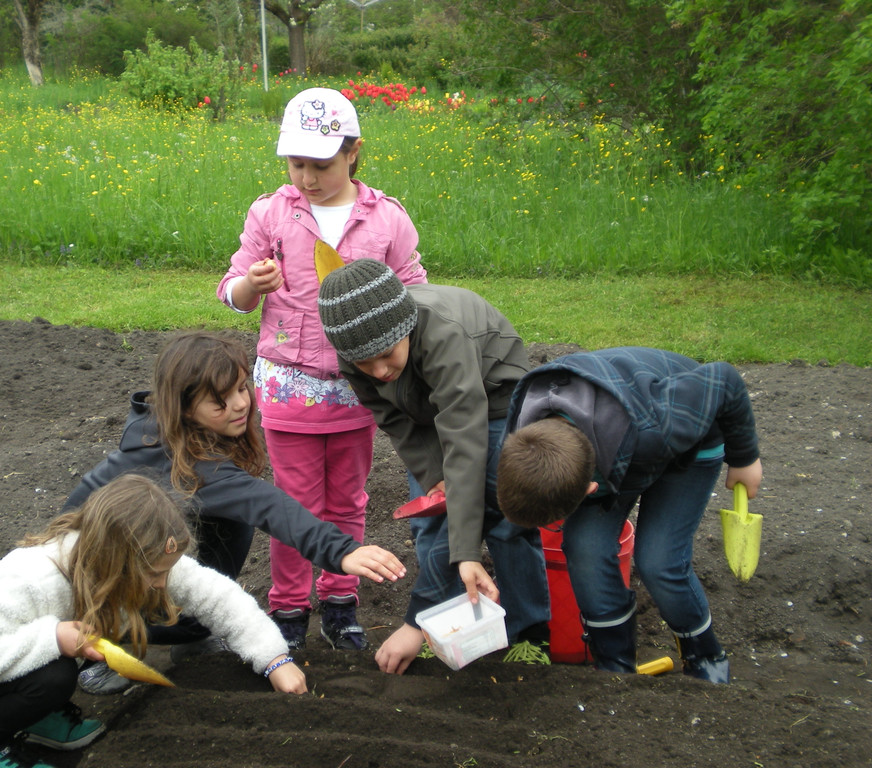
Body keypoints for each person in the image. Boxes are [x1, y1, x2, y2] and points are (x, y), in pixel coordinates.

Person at [65, 331, 407, 692]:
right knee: (236, 515)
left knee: (228, 519)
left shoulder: (165, 431)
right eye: (220, 401)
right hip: (85, 591)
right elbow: (269, 505)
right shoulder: (182, 463)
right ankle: (104, 649)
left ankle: (191, 632)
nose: (241, 404)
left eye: (242, 388)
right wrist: (343, 551)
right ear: (184, 406)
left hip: (124, 573)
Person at [217, 86, 427, 652]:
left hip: (360, 392)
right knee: (295, 505)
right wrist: (250, 285)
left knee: (348, 502)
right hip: (288, 389)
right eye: (296, 164)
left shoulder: (386, 219)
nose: (307, 178)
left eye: (322, 165)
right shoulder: (270, 213)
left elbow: (414, 292)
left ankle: (339, 602)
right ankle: (289, 606)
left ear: (353, 152)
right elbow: (231, 291)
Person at [0, 474, 307, 768]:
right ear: (116, 558)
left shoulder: (145, 559)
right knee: (56, 675)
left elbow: (219, 598)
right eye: (155, 574)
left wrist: (274, 659)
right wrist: (51, 638)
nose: (163, 584)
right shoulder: (35, 580)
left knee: (62, 665)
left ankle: (36, 718)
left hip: (1, 662)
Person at [316, 259, 551, 675]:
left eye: (386, 355)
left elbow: (465, 440)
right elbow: (393, 419)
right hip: (423, 409)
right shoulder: (355, 355)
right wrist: (433, 477)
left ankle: (529, 633)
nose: (379, 371)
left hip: (493, 399)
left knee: (503, 514)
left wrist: (466, 552)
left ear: (406, 328)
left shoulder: (444, 334)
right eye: (366, 364)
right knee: (430, 517)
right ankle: (442, 626)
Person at [496, 346, 763, 683]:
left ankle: (705, 656)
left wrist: (744, 458)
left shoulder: (661, 423)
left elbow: (724, 379)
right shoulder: (519, 438)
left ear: (590, 489)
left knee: (659, 561)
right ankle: (614, 664)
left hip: (686, 438)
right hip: (609, 446)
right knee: (585, 548)